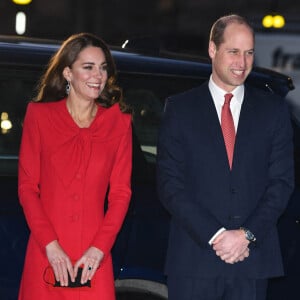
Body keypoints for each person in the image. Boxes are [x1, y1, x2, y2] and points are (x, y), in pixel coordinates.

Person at [157, 14, 294, 300]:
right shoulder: (180, 109)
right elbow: (170, 185)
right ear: (212, 49)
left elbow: (281, 183)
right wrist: (216, 235)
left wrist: (247, 234)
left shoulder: (273, 110)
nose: (242, 63)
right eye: (233, 51)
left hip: (252, 261)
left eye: (249, 53)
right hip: (194, 259)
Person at [18, 32, 132, 300]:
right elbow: (26, 187)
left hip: (93, 258)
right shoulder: (39, 117)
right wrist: (50, 245)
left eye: (103, 68)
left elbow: (120, 194)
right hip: (46, 252)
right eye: (88, 67)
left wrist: (99, 249)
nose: (98, 76)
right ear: (68, 73)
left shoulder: (118, 123)